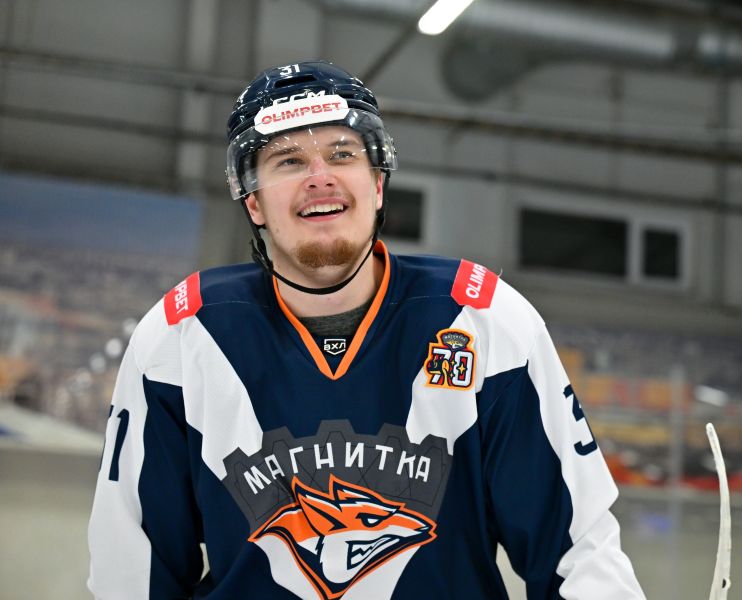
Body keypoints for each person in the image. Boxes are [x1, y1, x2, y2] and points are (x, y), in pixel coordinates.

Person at [87, 61, 645, 600]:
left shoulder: (486, 321)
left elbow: (580, 554)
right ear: (253, 202)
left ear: (377, 183)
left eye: (342, 154)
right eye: (288, 161)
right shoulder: (182, 336)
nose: (320, 177)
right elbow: (130, 572)